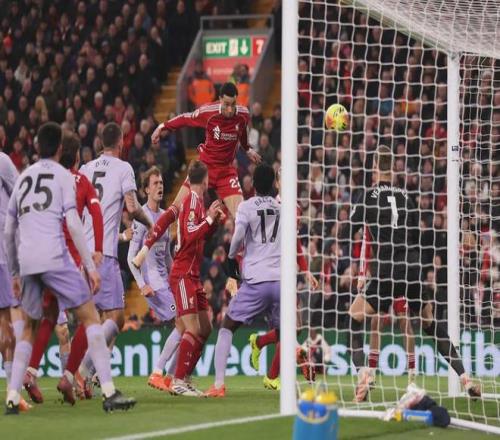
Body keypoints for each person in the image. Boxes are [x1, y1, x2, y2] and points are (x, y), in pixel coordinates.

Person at [4, 122, 135, 414]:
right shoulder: (64, 176)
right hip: (56, 257)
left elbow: (9, 228)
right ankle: (109, 392)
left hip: (27, 260)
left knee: (29, 328)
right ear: (61, 149)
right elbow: (74, 223)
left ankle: (12, 397)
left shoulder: (24, 177)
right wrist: (91, 266)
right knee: (90, 316)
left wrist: (14, 272)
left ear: (37, 146)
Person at [347, 144, 481, 402]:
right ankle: (466, 378)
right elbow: (416, 237)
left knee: (354, 317)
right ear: (393, 166)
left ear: (375, 166)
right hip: (412, 267)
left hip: (387, 268)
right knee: (430, 324)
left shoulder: (368, 196)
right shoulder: (406, 198)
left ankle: (364, 375)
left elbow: (347, 231)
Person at [132, 82, 261, 269]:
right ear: (219, 100)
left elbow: (241, 133)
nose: (229, 109)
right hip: (204, 169)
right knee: (175, 208)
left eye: (233, 104)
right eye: (226, 104)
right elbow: (185, 119)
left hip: (226, 172)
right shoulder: (208, 113)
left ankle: (244, 270)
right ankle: (144, 250)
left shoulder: (243, 114)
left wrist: (247, 149)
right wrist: (162, 126)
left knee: (243, 218)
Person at [23, 133, 104, 405]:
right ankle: (69, 376)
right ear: (77, 156)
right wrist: (97, 251)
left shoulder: (46, 178)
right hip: (70, 262)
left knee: (49, 316)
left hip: (41, 256)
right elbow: (94, 214)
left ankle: (30, 372)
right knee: (91, 318)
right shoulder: (80, 181)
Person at [75, 122, 153, 394]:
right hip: (103, 255)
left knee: (91, 320)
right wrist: (151, 223)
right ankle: (82, 372)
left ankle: (86, 377)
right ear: (121, 143)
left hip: (82, 254)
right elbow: (132, 207)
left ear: (100, 143)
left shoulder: (86, 168)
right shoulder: (123, 168)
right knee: (116, 318)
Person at [205, 164, 281, 397]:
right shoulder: (282, 208)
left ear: (254, 184)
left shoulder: (246, 207)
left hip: (256, 281)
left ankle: (218, 385)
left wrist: (231, 259)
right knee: (287, 330)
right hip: (280, 281)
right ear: (273, 184)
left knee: (227, 326)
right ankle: (271, 366)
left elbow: (237, 237)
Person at [167, 161, 224, 396]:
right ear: (206, 180)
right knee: (191, 328)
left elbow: (200, 236)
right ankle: (177, 381)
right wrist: (208, 219)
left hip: (193, 275)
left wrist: (213, 223)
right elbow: (190, 235)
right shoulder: (191, 200)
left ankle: (185, 377)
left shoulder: (198, 202)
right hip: (183, 273)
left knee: (205, 328)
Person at [127, 166, 181, 392]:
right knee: (184, 323)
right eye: (155, 184)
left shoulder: (166, 216)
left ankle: (170, 378)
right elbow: (131, 257)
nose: (160, 186)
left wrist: (177, 279)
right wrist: (142, 285)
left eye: (161, 183)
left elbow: (166, 255)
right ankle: (159, 373)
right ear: (146, 190)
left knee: (187, 325)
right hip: (153, 284)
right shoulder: (141, 218)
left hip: (165, 282)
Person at [0, 149, 31, 412]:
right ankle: (14, 390)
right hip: (3, 253)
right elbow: (22, 196)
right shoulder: (2, 161)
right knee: (10, 318)